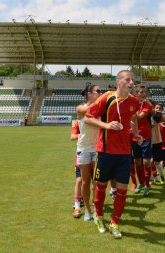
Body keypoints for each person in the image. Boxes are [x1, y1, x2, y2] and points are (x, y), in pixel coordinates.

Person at [85, 70, 142, 239]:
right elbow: (88, 118)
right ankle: (99, 216)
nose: (131, 83)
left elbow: (133, 119)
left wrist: (136, 134)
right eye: (127, 79)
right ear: (119, 82)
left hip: (124, 153)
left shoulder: (133, 101)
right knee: (101, 186)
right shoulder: (107, 98)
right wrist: (106, 125)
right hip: (105, 151)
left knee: (122, 189)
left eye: (133, 80)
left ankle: (115, 222)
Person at [76, 85, 101, 221]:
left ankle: (97, 208)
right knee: (85, 182)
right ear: (89, 93)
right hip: (84, 149)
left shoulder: (100, 108)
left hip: (97, 149)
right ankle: (87, 208)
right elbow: (90, 110)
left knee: (97, 182)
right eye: (98, 91)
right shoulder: (80, 108)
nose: (100, 93)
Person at [132, 85, 153, 196]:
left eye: (144, 92)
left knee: (146, 162)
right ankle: (140, 183)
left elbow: (139, 117)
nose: (143, 94)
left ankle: (147, 185)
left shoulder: (147, 105)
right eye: (141, 92)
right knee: (137, 162)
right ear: (136, 93)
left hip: (145, 136)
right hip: (134, 136)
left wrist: (131, 113)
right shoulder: (131, 104)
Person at [71, 119, 83, 218]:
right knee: (79, 180)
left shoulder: (96, 120)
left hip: (94, 153)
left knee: (94, 182)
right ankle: (77, 206)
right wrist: (78, 136)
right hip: (81, 154)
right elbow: (72, 136)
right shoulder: (77, 122)